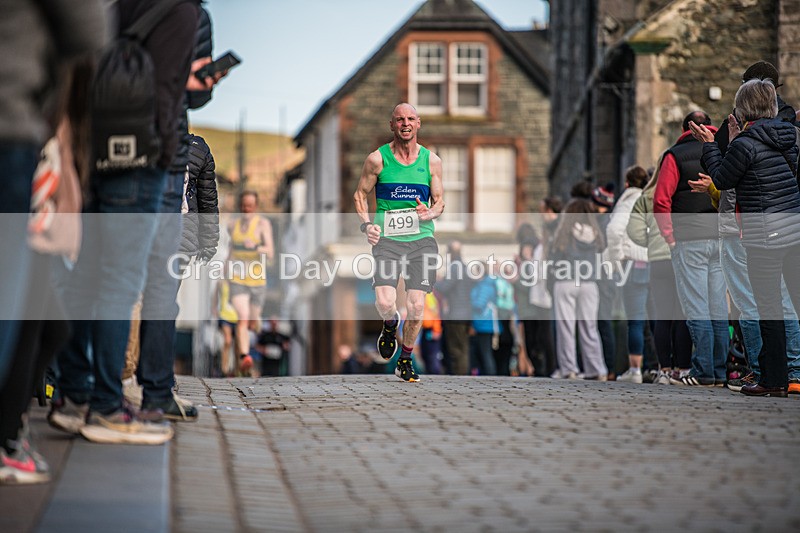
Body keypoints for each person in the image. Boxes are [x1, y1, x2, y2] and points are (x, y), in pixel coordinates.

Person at [50, 0, 201, 445]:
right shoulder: (182, 11)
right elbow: (168, 92)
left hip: (93, 150)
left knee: (86, 276)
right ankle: (108, 408)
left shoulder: (117, 3)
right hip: (140, 161)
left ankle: (75, 396)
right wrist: (168, 153)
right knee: (120, 281)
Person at [689, 61, 800, 393]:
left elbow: (723, 179)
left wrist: (710, 145)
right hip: (792, 227)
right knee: (791, 302)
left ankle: (774, 380)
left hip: (763, 234)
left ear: (744, 108)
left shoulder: (747, 144)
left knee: (767, 307)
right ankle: (792, 373)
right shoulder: (788, 136)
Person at [354, 103, 444, 382]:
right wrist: (367, 225)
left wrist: (429, 212)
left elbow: (440, 202)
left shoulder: (432, 161)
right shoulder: (377, 160)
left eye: (410, 119)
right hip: (388, 240)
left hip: (422, 240)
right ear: (392, 125)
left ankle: (405, 359)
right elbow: (360, 194)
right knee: (385, 300)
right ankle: (390, 323)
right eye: (399, 120)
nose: (405, 124)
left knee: (417, 305)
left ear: (419, 124)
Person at [654, 111, 729, 387]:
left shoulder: (674, 155)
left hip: (688, 240)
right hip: (720, 237)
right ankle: (721, 371)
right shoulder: (723, 148)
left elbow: (661, 200)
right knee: (718, 306)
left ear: (685, 128)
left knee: (696, 305)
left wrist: (670, 238)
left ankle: (703, 370)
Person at [627, 166, 693, 384]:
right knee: (682, 315)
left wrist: (652, 243)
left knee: (663, 316)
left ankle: (664, 369)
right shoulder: (684, 188)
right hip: (683, 254)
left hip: (658, 259)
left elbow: (633, 231)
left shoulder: (647, 195)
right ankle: (683, 369)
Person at [550, 199, 608, 380]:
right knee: (589, 327)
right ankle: (596, 369)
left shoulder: (564, 233)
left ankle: (569, 369)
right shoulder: (597, 234)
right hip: (589, 284)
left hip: (566, 281)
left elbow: (554, 258)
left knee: (566, 327)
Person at [606, 166, 650, 383]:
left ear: (627, 183)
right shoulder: (650, 199)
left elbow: (614, 230)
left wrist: (617, 259)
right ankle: (659, 368)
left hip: (633, 263)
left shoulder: (627, 202)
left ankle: (635, 371)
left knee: (635, 320)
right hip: (653, 262)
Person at [227, 191, 274, 376]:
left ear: (256, 207)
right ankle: (244, 356)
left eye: (250, 206)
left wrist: (255, 247)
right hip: (237, 278)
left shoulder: (263, 225)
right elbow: (230, 250)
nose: (247, 209)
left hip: (257, 279)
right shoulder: (233, 225)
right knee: (242, 317)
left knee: (253, 322)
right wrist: (224, 272)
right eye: (244, 205)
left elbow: (270, 252)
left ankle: (256, 323)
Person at [436, 241, 474, 375]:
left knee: (456, 350)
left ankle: (460, 377)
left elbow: (445, 288)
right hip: (466, 313)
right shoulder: (464, 267)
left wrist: (436, 281)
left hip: (455, 314)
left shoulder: (454, 268)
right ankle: (463, 375)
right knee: (463, 348)